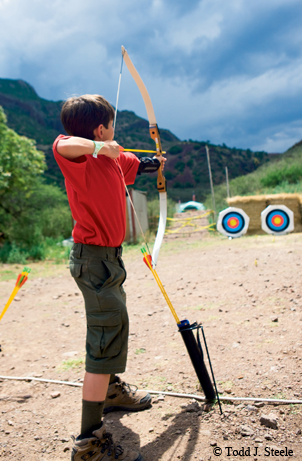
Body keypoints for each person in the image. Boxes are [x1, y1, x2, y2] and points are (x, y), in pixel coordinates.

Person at [53, 94, 165, 461]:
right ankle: (89, 443)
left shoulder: (111, 161)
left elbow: (135, 162)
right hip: (94, 261)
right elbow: (65, 143)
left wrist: (156, 162)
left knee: (113, 329)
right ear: (101, 129)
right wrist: (102, 146)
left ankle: (111, 391)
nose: (114, 134)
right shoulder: (78, 157)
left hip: (109, 261)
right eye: (111, 127)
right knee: (103, 342)